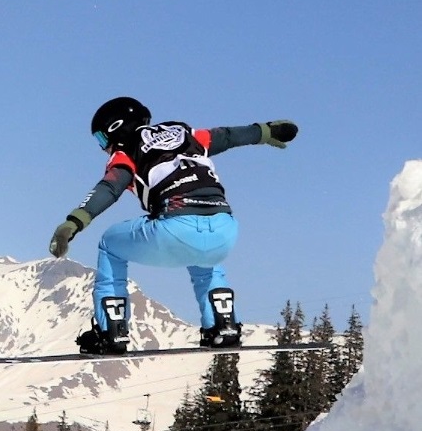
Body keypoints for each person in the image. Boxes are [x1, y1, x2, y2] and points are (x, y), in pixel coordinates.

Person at [47, 97, 298, 355]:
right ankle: (222, 326)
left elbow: (110, 187)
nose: (102, 148)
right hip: (225, 230)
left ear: (116, 129)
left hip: (175, 228)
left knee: (110, 243)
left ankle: (111, 332)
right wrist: (266, 131)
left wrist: (73, 222)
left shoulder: (126, 150)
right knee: (204, 254)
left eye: (101, 140)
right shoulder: (187, 134)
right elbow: (227, 136)